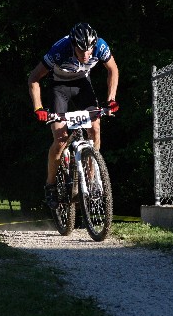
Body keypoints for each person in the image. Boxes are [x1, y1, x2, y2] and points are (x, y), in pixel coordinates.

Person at [28, 22, 119, 209]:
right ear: (73, 45)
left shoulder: (100, 46)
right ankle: (51, 185)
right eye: (80, 51)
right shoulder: (59, 49)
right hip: (58, 87)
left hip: (82, 85)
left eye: (89, 51)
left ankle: (92, 178)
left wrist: (111, 99)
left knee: (95, 128)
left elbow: (113, 69)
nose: (86, 55)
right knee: (61, 140)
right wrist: (39, 108)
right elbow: (34, 78)